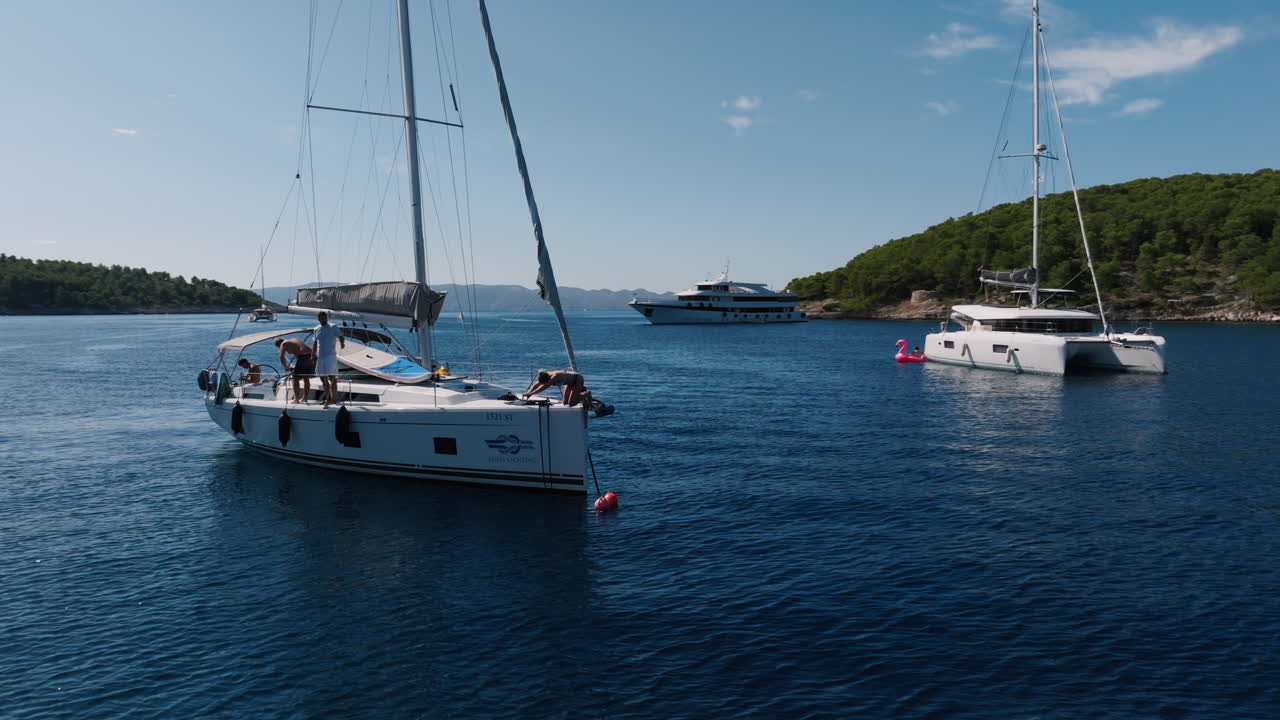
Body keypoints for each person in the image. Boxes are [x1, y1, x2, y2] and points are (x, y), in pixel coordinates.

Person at [311, 312, 346, 407]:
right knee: (322, 378)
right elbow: (315, 342)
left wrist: (342, 343)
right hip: (320, 356)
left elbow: (341, 336)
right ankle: (328, 398)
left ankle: (334, 399)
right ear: (318, 319)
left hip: (330, 356)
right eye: (322, 318)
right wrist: (312, 354)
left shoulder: (333, 326)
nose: (324, 319)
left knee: (332, 377)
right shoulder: (316, 329)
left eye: (325, 317)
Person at [523, 369, 593, 409]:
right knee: (565, 403)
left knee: (571, 403)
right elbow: (535, 385)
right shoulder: (543, 377)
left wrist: (531, 393)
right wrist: (528, 393)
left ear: (547, 380)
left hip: (577, 380)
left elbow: (543, 387)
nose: (544, 383)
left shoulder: (555, 376)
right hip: (569, 383)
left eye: (545, 383)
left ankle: (587, 393)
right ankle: (579, 393)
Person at [275, 336, 315, 403]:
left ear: (279, 344)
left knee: (295, 379)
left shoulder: (283, 344)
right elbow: (299, 353)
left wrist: (286, 367)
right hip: (311, 357)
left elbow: (281, 357)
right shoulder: (294, 340)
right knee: (306, 378)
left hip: (303, 357)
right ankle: (305, 398)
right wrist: (296, 366)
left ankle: (296, 400)